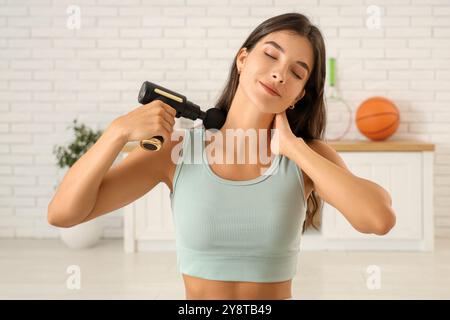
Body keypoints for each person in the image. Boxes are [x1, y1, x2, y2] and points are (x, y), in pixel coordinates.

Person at [48, 13, 396, 300]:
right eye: (271, 55)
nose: (279, 73)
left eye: (296, 71)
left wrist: (293, 148)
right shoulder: (176, 152)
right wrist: (117, 132)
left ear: (298, 96)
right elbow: (63, 214)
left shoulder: (308, 157)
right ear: (243, 59)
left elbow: (378, 219)